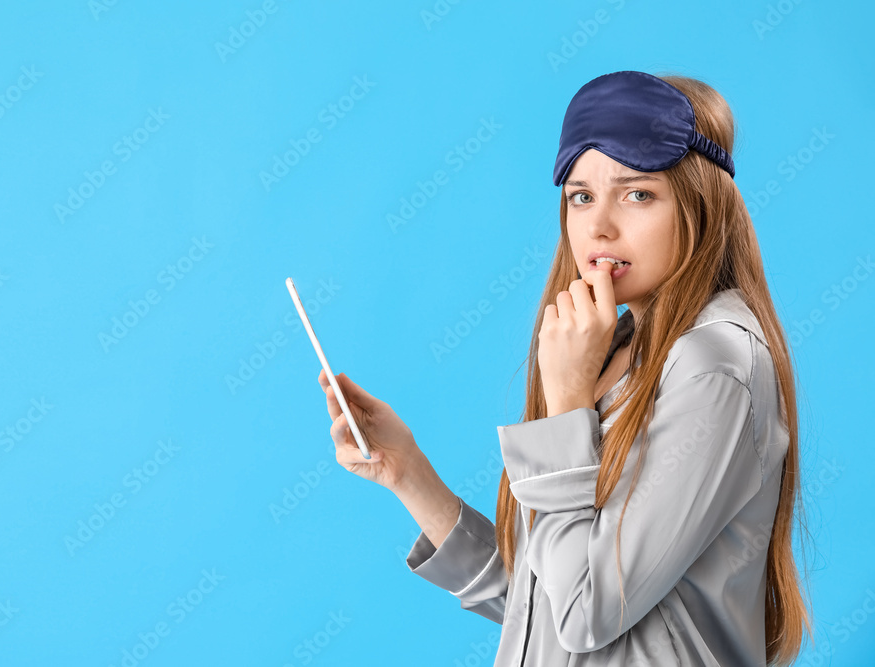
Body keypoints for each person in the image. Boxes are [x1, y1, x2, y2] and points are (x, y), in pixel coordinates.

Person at [317, 70, 813, 666]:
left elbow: (586, 610)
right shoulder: (622, 345)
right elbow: (545, 599)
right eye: (581, 195)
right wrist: (408, 474)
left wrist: (569, 400)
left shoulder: (713, 366)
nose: (598, 225)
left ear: (700, 202)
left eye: (637, 193)